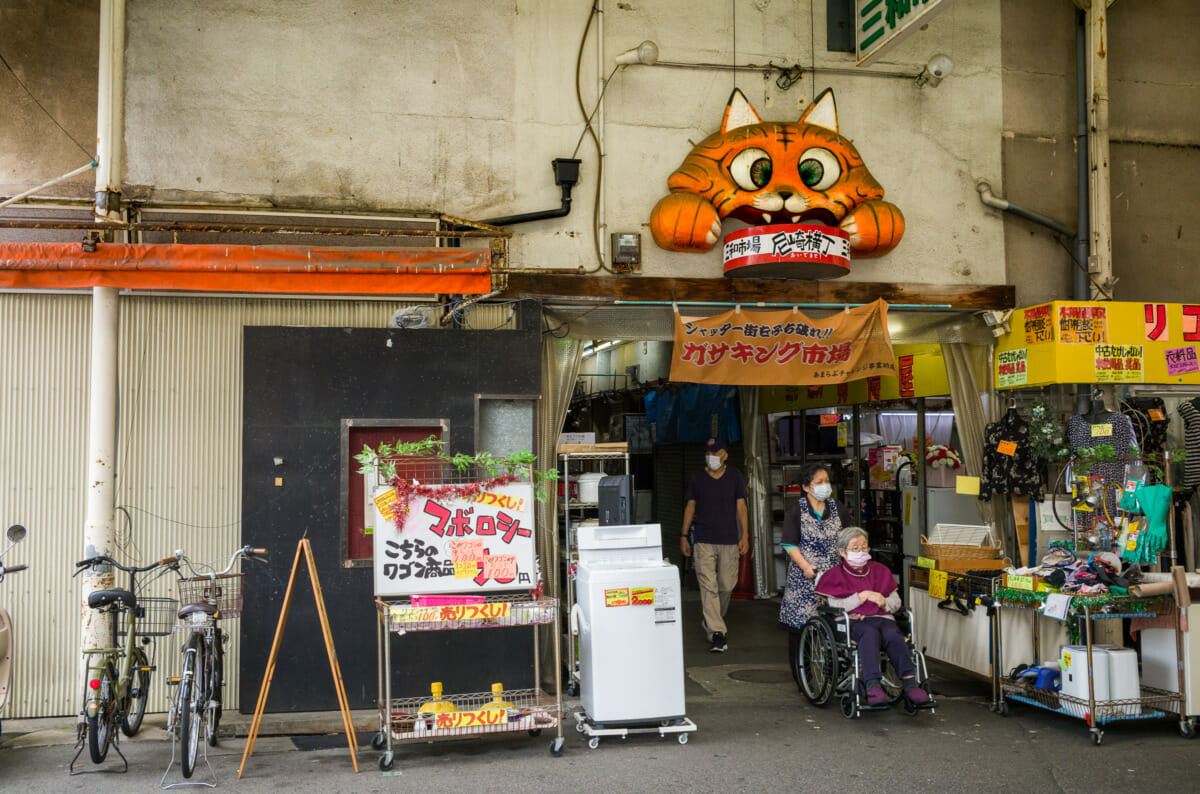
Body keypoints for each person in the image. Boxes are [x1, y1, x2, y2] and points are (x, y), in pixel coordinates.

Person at [816, 526, 931, 707]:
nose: (861, 551)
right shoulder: (834, 575)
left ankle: (910, 684)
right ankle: (872, 685)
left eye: (864, 547)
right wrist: (860, 598)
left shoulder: (880, 571)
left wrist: (883, 601)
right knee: (869, 633)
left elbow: (896, 603)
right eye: (855, 548)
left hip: (882, 618)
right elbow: (833, 605)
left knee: (893, 634)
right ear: (842, 551)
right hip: (852, 621)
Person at [681, 438, 749, 653]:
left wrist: (745, 535)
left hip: (729, 539)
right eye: (708, 452)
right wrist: (683, 535)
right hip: (703, 540)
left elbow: (742, 507)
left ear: (725, 455)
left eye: (716, 452)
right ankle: (717, 633)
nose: (711, 456)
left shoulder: (735, 476)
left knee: (727, 585)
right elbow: (690, 507)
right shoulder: (697, 478)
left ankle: (711, 619)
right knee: (708, 585)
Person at [779, 462, 843, 682]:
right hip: (804, 579)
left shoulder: (837, 508)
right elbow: (788, 543)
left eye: (827, 481)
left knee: (835, 626)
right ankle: (803, 677)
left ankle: (833, 674)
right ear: (806, 487)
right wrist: (805, 566)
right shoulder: (796, 510)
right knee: (800, 629)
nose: (825, 486)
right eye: (819, 482)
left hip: (833, 580)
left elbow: (848, 538)